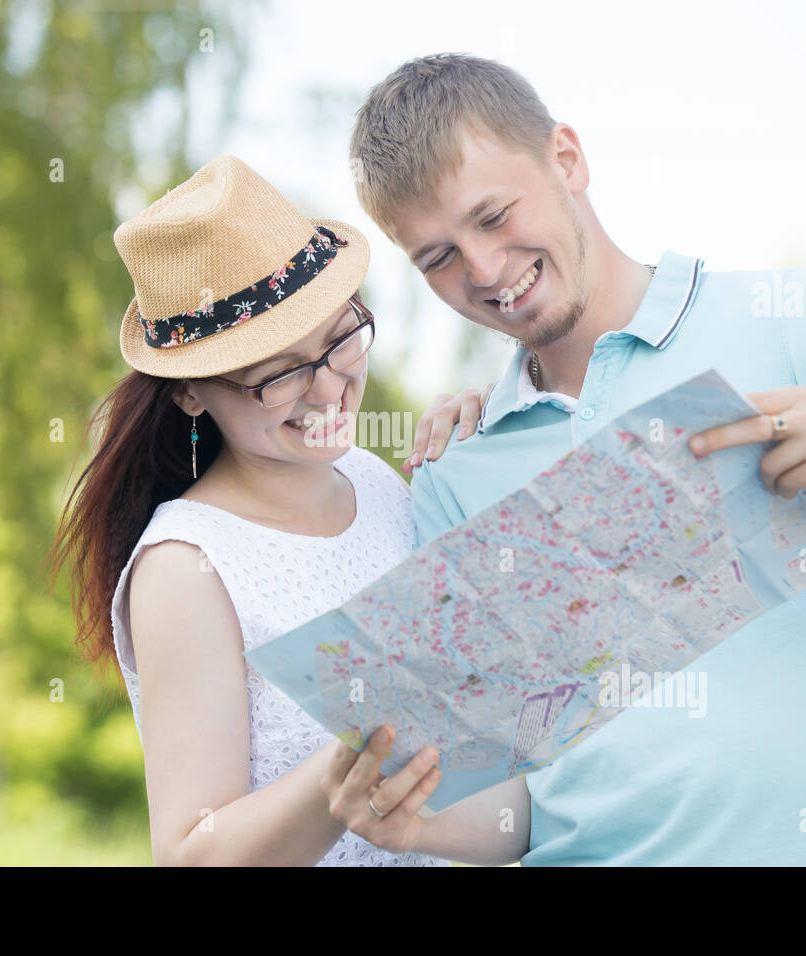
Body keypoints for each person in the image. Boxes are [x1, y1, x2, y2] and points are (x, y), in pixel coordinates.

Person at [322, 53, 806, 866]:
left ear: (566, 159)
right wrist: (418, 822)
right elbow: (518, 806)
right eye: (436, 257)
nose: (483, 269)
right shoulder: (453, 469)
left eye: (495, 215)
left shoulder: (796, 323)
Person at [49, 153, 491, 866]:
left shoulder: (379, 484)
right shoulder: (186, 568)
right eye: (279, 374)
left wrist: (481, 435)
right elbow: (190, 855)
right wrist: (340, 773)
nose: (327, 391)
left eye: (340, 341)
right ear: (190, 393)